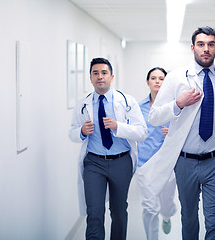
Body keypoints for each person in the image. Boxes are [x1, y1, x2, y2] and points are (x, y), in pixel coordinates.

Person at [137, 26, 215, 240]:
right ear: (193, 48)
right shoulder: (175, 78)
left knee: (214, 223)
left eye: (210, 44)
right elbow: (154, 116)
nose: (206, 49)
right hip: (185, 162)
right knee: (189, 218)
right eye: (201, 44)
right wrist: (178, 104)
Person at [68, 57, 147, 240]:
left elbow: (142, 132)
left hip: (121, 162)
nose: (100, 77)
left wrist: (118, 127)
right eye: (95, 73)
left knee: (118, 211)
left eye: (104, 73)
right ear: (90, 78)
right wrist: (81, 131)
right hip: (94, 163)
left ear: (112, 76)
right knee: (94, 212)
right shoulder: (82, 104)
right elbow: (71, 133)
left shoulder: (127, 101)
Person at [137, 67, 177, 240]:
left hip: (168, 162)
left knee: (166, 205)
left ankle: (167, 216)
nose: (157, 81)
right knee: (150, 207)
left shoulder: (174, 106)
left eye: (161, 78)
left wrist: (172, 132)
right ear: (148, 82)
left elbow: (184, 131)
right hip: (145, 163)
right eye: (153, 78)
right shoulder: (139, 108)